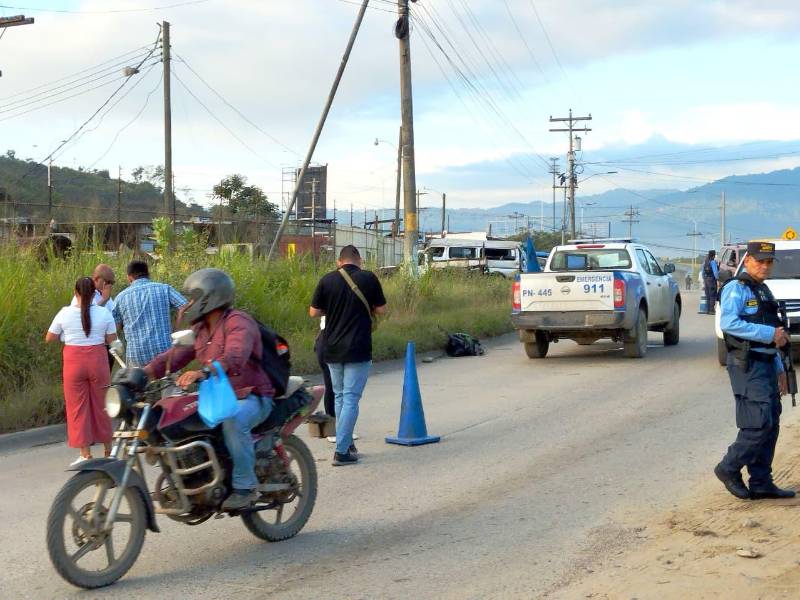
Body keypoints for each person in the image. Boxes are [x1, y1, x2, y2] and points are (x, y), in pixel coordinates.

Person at [145, 268, 274, 511]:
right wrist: (144, 373)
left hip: (251, 394)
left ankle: (246, 486)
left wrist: (204, 372)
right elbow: (174, 357)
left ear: (209, 296)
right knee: (176, 417)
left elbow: (235, 356)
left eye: (192, 298)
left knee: (233, 421)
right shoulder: (201, 330)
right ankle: (198, 477)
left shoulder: (239, 322)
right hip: (218, 396)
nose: (188, 304)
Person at [714, 241, 795, 500]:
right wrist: (769, 333)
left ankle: (761, 482)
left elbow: (773, 331)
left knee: (771, 422)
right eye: (760, 261)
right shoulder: (736, 289)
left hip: (765, 362)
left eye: (769, 262)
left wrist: (779, 366)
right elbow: (729, 323)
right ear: (747, 260)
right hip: (746, 365)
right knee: (757, 423)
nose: (764, 266)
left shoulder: (762, 290)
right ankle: (728, 467)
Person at [309, 245, 387, 466]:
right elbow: (382, 310)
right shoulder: (369, 278)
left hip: (331, 347)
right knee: (351, 398)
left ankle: (346, 444)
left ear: (339, 262)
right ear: (359, 260)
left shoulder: (327, 280)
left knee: (341, 396)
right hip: (358, 347)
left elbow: (313, 311)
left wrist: (332, 308)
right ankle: (341, 451)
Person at [46, 277, 117, 466]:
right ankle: (109, 451)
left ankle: (85, 454)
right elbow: (112, 339)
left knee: (77, 407)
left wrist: (64, 335)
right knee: (103, 404)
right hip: (98, 360)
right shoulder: (103, 314)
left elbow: (49, 337)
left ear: (75, 292)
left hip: (73, 362)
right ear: (95, 293)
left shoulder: (64, 313)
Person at [112, 260, 188, 367]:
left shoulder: (120, 298)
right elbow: (184, 305)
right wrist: (175, 330)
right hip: (164, 351)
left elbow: (116, 328)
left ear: (129, 277)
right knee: (168, 382)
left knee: (137, 382)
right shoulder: (164, 289)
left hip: (136, 355)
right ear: (148, 274)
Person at [702, 250, 719, 314]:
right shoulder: (713, 262)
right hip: (712, 280)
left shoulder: (705, 262)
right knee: (712, 295)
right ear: (713, 255)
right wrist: (718, 279)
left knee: (708, 295)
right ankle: (712, 310)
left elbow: (703, 272)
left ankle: (707, 310)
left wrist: (704, 280)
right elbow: (715, 273)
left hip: (706, 280)